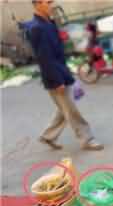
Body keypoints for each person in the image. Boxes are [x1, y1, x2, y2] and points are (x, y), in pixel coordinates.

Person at [29, 0, 104, 151]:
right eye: (47, 2)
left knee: (65, 109)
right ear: (37, 4)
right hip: (55, 76)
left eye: (51, 2)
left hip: (61, 71)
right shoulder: (37, 28)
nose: (51, 5)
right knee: (71, 110)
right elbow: (44, 58)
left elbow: (55, 51)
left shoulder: (49, 23)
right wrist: (57, 81)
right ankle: (87, 139)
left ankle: (48, 136)